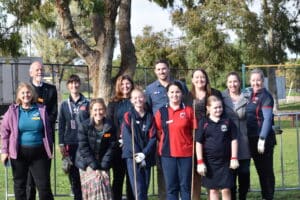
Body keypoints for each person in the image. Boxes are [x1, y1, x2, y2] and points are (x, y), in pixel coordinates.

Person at [0, 82, 54, 200]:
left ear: (32, 94)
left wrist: (50, 148)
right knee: (20, 186)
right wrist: (4, 151)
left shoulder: (41, 109)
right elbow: (4, 130)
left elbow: (48, 131)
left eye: (28, 92)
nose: (26, 95)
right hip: (19, 154)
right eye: (23, 93)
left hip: (39, 154)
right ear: (19, 95)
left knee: (44, 186)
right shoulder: (12, 111)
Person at [145, 59, 188, 200]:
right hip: (162, 138)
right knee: (163, 172)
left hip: (181, 138)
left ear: (168, 69)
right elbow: (149, 112)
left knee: (184, 179)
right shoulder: (150, 89)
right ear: (155, 71)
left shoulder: (180, 85)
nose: (161, 71)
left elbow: (186, 107)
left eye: (164, 68)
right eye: (158, 69)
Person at [184, 68, 222, 200]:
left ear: (206, 79)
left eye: (202, 77)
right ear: (192, 80)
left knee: (210, 171)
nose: (200, 80)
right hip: (193, 138)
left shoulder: (215, 93)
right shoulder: (187, 96)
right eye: (197, 77)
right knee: (195, 173)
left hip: (211, 138)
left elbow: (221, 114)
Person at [154, 81, 194, 200]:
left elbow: (194, 131)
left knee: (185, 187)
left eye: (177, 92)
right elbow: (158, 132)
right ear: (167, 94)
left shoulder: (188, 111)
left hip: (186, 154)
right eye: (172, 92)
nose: (174, 94)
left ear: (182, 94)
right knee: (171, 188)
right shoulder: (162, 112)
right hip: (167, 154)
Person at [196, 95, 239, 200]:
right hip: (210, 163)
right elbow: (198, 143)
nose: (218, 109)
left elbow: (234, 139)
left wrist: (234, 158)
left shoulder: (227, 121)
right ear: (208, 108)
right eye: (215, 107)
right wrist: (200, 162)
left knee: (226, 189)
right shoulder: (203, 123)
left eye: (220, 107)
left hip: (226, 162)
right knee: (213, 190)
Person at [28, 60, 58, 200]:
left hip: (45, 139)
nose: (40, 72)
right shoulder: (26, 90)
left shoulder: (51, 90)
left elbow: (53, 113)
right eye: (37, 70)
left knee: (44, 177)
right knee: (29, 181)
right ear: (31, 73)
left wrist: (41, 125)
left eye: (41, 69)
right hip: (28, 142)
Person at [75, 98, 115, 200]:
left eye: (101, 109)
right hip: (87, 163)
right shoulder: (84, 126)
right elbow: (84, 149)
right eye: (95, 110)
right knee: (97, 182)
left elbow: (111, 148)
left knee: (104, 181)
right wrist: (96, 168)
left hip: (103, 162)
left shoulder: (110, 126)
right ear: (91, 111)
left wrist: (102, 167)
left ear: (105, 110)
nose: (98, 112)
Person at [246, 69, 276, 200]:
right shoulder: (250, 94)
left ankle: (268, 197)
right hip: (251, 139)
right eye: (253, 80)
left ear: (263, 81)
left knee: (266, 172)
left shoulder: (266, 96)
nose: (255, 83)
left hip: (263, 140)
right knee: (260, 171)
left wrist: (262, 138)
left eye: (258, 80)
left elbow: (268, 119)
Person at [58, 74, 90, 200]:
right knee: (73, 175)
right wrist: (61, 143)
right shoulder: (64, 104)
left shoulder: (87, 103)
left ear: (79, 85)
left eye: (76, 82)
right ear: (68, 86)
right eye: (71, 83)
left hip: (84, 143)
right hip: (70, 143)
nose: (74, 85)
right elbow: (61, 126)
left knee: (84, 172)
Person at [121, 88, 157, 200]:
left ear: (145, 98)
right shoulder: (128, 116)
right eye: (135, 98)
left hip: (146, 157)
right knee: (138, 188)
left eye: (140, 97)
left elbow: (153, 137)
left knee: (145, 187)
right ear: (131, 100)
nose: (138, 100)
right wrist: (137, 154)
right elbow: (127, 137)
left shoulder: (150, 117)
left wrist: (144, 154)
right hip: (132, 157)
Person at [222, 72, 251, 200]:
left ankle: (243, 196)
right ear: (226, 83)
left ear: (239, 83)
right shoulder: (221, 97)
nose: (232, 84)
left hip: (244, 141)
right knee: (231, 176)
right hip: (227, 142)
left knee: (244, 173)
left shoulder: (247, 97)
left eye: (235, 81)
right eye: (230, 82)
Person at [107, 75, 135, 200]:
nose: (125, 86)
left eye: (127, 83)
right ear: (118, 86)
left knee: (131, 180)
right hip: (118, 147)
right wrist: (117, 140)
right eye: (122, 84)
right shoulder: (113, 103)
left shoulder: (136, 100)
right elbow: (109, 123)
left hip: (134, 146)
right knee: (118, 178)